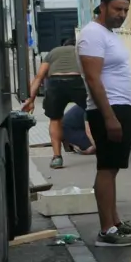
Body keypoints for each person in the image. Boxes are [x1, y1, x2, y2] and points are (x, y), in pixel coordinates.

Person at [78, 0, 131, 247]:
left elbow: (113, 76)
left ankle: (115, 222)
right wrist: (109, 117)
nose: (122, 15)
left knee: (113, 168)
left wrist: (130, 109)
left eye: (126, 10)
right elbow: (93, 79)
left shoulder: (108, 34)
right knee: (106, 167)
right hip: (107, 110)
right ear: (102, 6)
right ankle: (107, 230)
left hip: (119, 107)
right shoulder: (92, 35)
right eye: (117, 9)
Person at [22, 33, 88, 169]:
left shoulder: (53, 52)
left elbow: (39, 77)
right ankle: (102, 151)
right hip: (77, 81)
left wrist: (30, 100)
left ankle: (57, 157)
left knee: (55, 119)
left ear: (63, 45)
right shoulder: (81, 50)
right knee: (93, 114)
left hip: (55, 82)